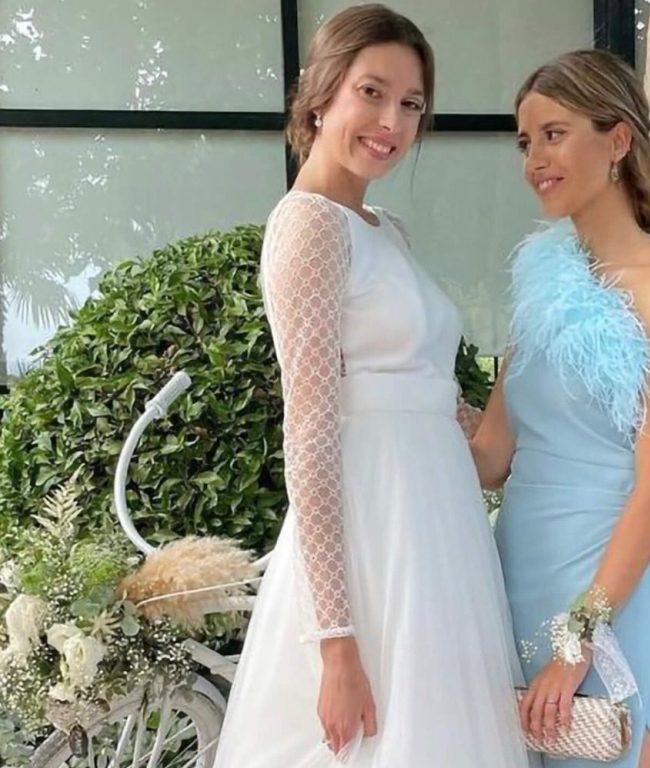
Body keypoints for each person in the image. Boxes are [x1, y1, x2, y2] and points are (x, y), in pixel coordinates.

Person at [212, 5, 530, 766]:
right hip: (373, 540)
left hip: (439, 529)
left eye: (411, 103)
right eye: (372, 92)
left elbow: (431, 400)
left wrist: (535, 352)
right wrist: (335, 643)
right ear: (321, 94)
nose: (392, 121)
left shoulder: (386, 228)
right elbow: (311, 430)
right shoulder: (310, 225)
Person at [470, 49, 650, 768]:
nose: (535, 159)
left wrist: (578, 642)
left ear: (618, 140)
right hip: (517, 570)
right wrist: (398, 407)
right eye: (526, 141)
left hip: (605, 583)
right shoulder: (543, 280)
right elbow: (491, 457)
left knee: (609, 750)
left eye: (555, 134)